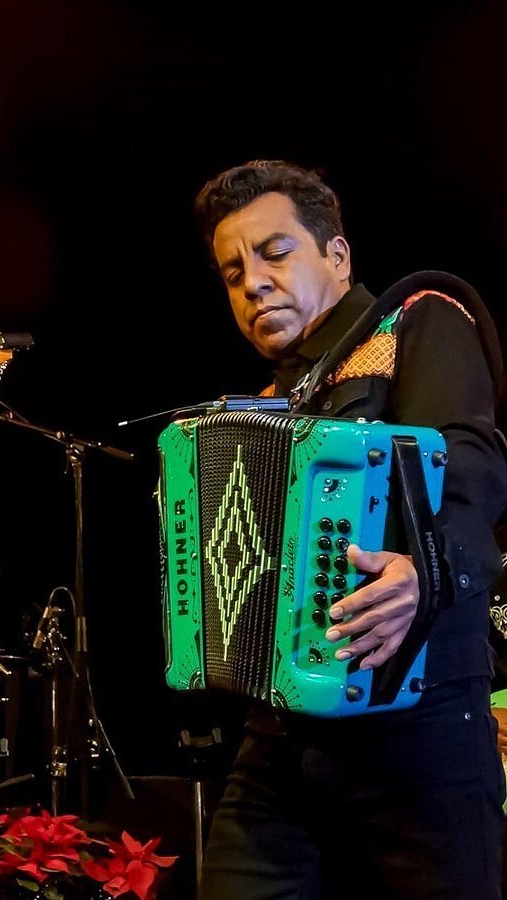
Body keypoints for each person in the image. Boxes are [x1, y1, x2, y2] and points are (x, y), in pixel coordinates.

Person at [190, 160, 507, 899]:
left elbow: (473, 467)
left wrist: (425, 572)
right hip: (283, 734)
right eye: (233, 273)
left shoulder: (419, 317)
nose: (253, 283)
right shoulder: (268, 404)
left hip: (419, 724)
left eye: (274, 253)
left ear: (336, 256)